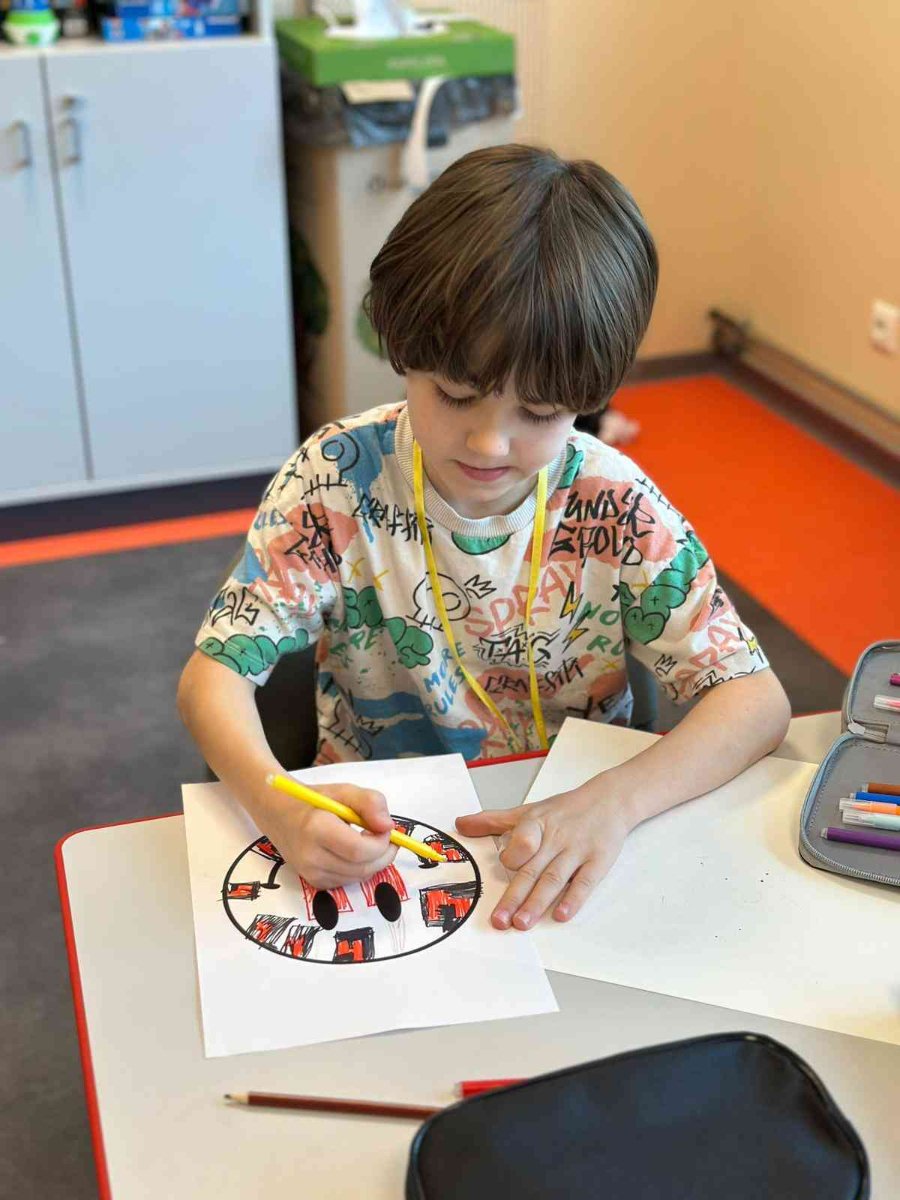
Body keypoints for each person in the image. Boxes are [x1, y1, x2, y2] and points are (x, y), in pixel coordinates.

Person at [177, 145, 790, 933]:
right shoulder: (334, 481)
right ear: (405, 351)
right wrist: (278, 806)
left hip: (577, 826)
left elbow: (754, 702)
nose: (491, 443)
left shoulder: (612, 502)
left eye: (539, 413)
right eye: (456, 394)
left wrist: (615, 801)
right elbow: (211, 678)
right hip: (381, 829)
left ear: (590, 396)